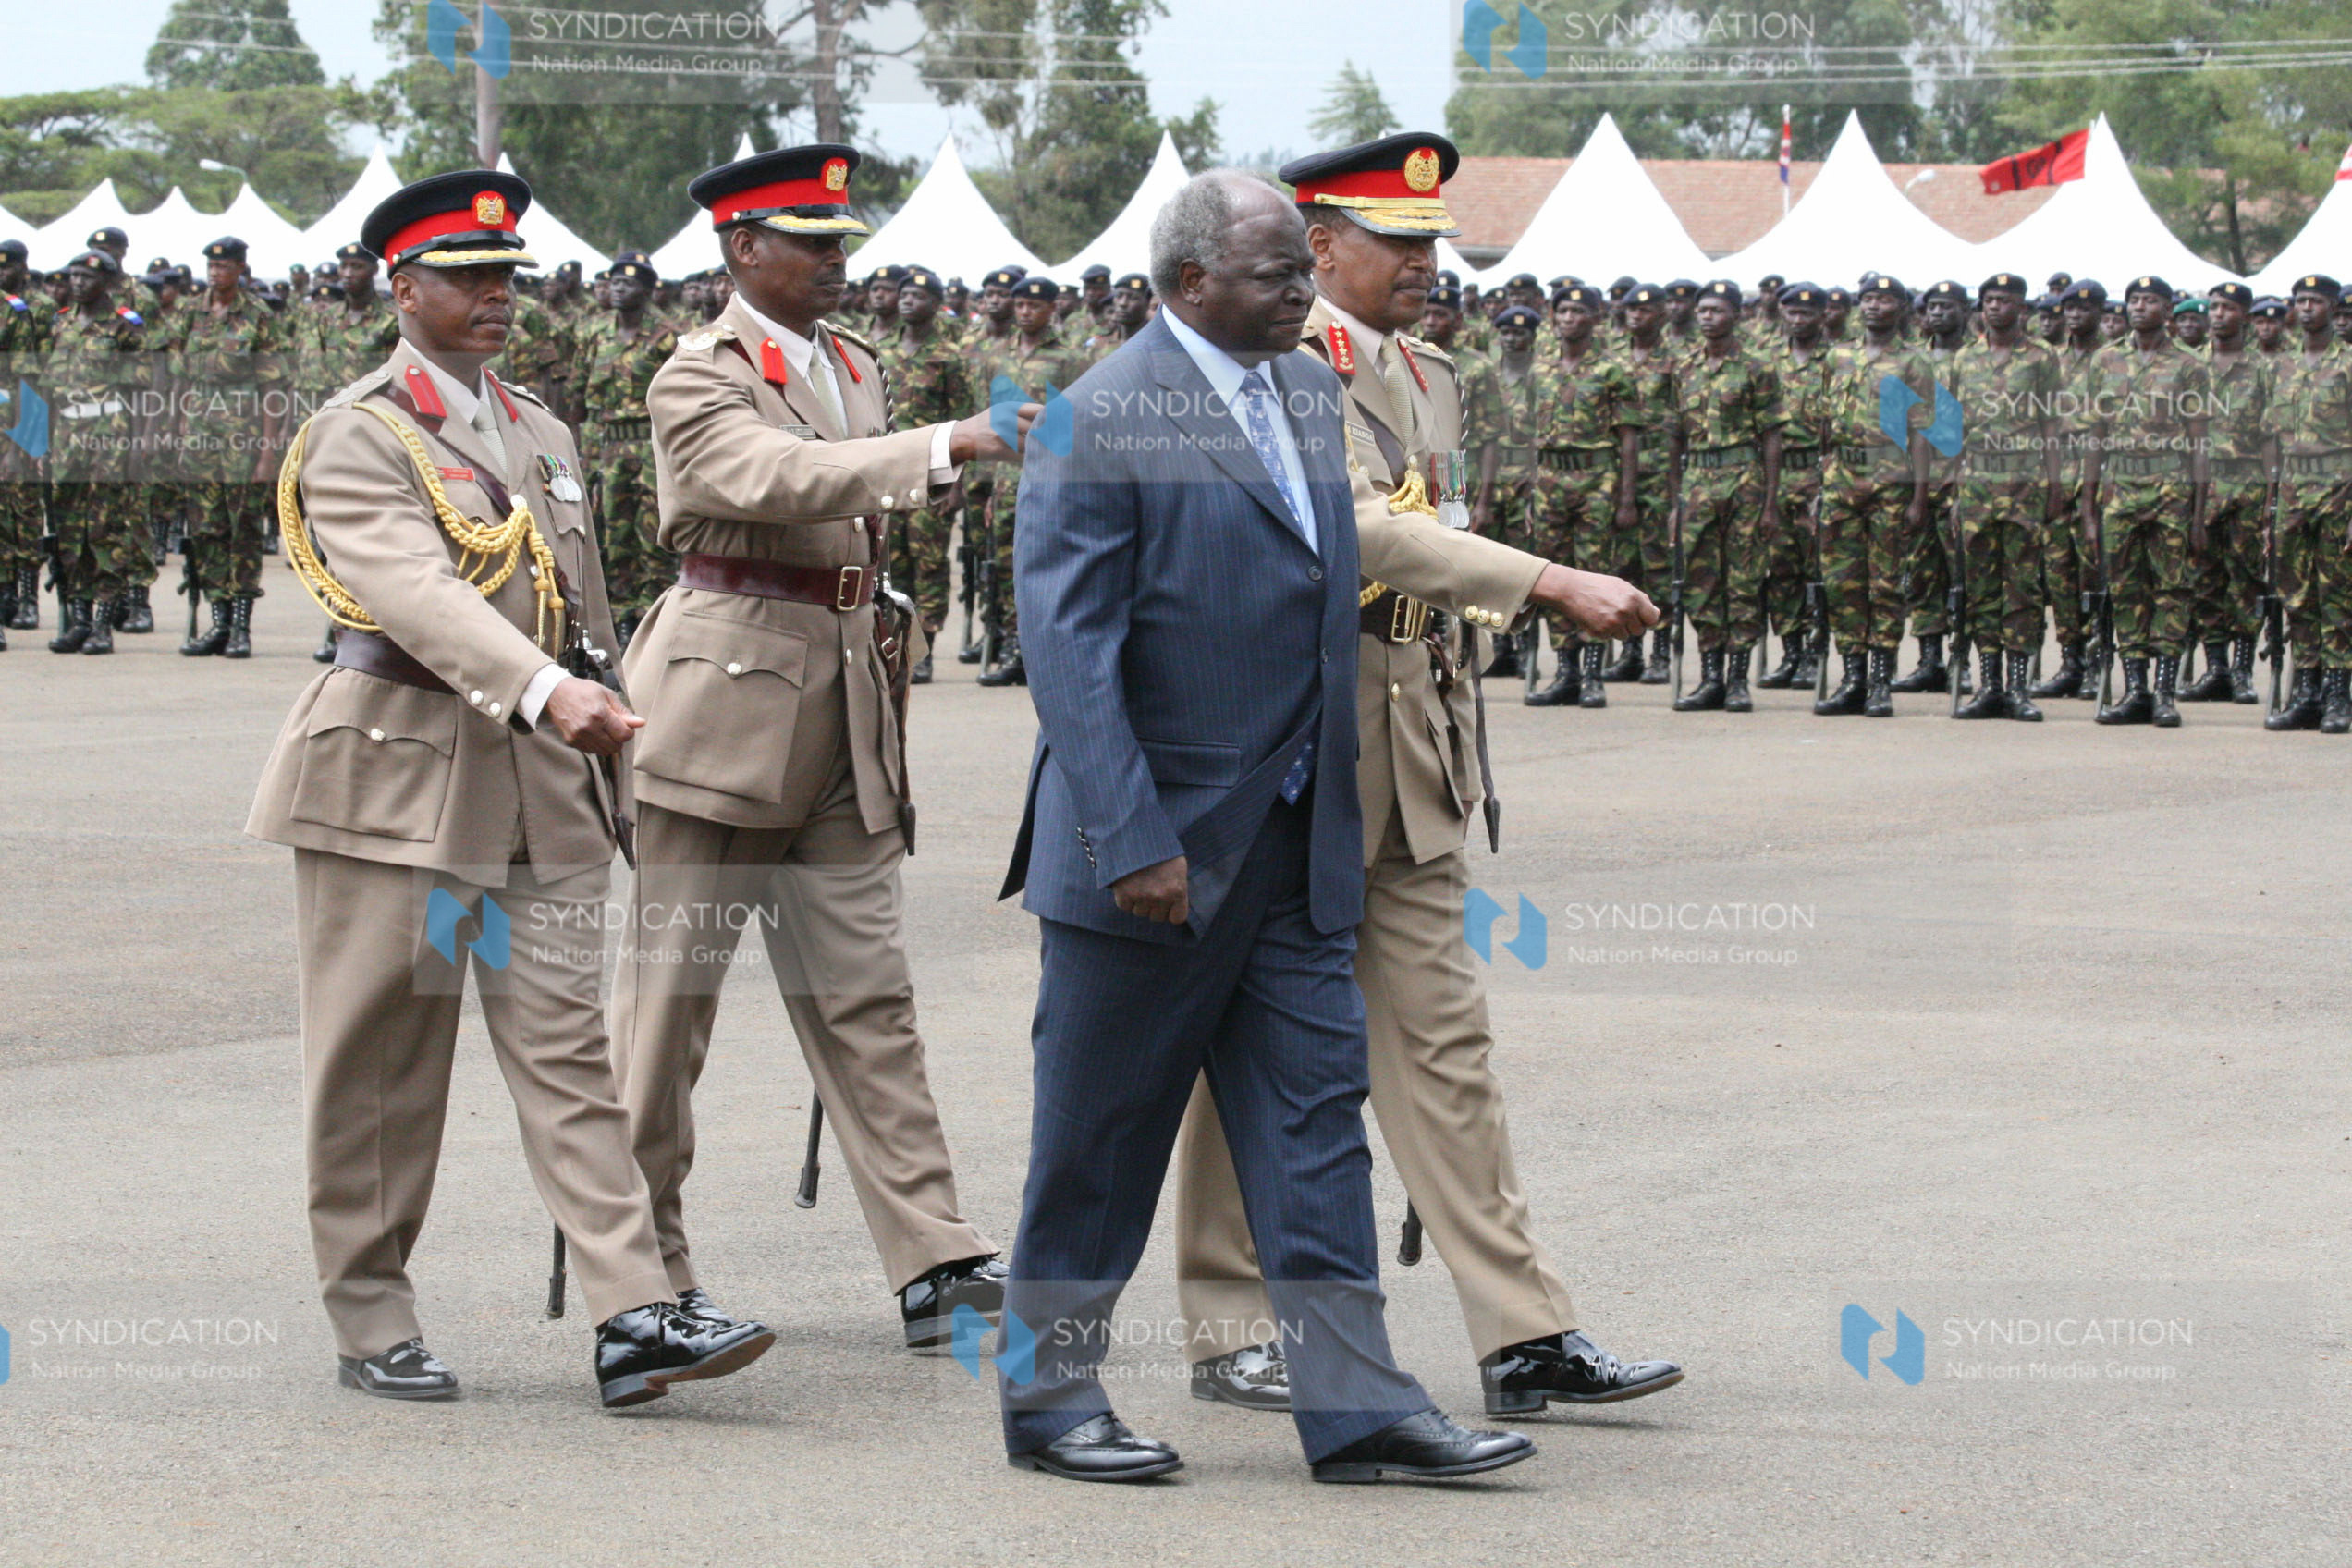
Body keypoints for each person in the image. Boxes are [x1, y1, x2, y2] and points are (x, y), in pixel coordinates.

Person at [998, 166, 1536, 1487]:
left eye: (1307, 269)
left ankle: (1357, 1407)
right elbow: (1070, 656)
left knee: (1312, 1131)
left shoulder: (1304, 392)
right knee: (1100, 1144)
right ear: (1187, 286)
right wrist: (1130, 840)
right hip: (1153, 861)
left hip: (1301, 848)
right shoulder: (1098, 419)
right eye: (1278, 276)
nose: (1307, 294)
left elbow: (1325, 596)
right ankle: (1049, 1401)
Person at [1169, 138, 1678, 1433]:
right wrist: (1548, 580)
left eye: (1432, 240)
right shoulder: (1269, 367)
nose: (1424, 264)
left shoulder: (1422, 373)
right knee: (1250, 1036)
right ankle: (1232, 1326)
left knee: (1447, 1048)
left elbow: (1415, 553)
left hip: (1407, 737)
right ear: (1320, 246)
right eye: (1396, 241)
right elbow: (1356, 525)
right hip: (1288, 746)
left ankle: (1526, 1332)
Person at [245, 167, 773, 1408]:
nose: (495, 298)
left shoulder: (538, 429)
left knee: (566, 1056)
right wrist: (546, 693)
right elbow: (416, 597)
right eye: (469, 279)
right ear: (403, 287)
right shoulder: (359, 432)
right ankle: (372, 1317)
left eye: (506, 278)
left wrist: (614, 747)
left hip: (534, 788)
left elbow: (580, 615)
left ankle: (634, 1311)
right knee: (383, 1060)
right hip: (396, 784)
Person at [608, 144, 1025, 1354]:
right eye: (813, 239)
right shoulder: (699, 372)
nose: (840, 256)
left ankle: (936, 1259)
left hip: (846, 700)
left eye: (843, 237)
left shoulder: (853, 362)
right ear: (743, 250)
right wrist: (943, 448)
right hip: (722, 709)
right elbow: (767, 476)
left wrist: (941, 472)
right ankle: (644, 1280)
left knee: (868, 998)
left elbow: (853, 493)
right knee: (669, 1010)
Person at [2083, 276, 2208, 727]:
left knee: (2173, 589)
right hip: (2120, 491)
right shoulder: (2105, 359)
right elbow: (2095, 435)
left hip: (2171, 490)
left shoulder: (2189, 366)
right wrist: (2088, 508)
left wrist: (2198, 516)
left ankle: (2165, 691)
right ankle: (2135, 688)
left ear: (2168, 309)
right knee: (2125, 588)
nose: (2138, 307)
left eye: (2149, 300)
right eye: (2133, 300)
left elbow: (2199, 445)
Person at [1521, 282, 1643, 707]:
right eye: (1563, 311)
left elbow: (1628, 438)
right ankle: (1566, 670)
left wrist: (1626, 499)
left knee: (1595, 573)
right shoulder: (1541, 369)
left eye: (1578, 311)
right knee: (1554, 577)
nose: (1569, 318)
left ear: (1595, 318)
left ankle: (1593, 673)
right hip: (1551, 479)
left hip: (1596, 480)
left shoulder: (1613, 371)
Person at [1947, 273, 2061, 720]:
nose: (1996, 307)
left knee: (2023, 587)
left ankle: (2019, 686)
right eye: (1989, 300)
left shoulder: (2041, 358)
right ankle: (1988, 683)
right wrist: (1954, 488)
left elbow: (2052, 425)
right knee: (1979, 588)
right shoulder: (1964, 359)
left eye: (2005, 301)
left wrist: (2054, 486)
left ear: (2022, 308)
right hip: (1976, 484)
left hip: (2024, 483)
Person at [1815, 273, 1929, 717]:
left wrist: (1919, 496)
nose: (1874, 306)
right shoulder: (1838, 356)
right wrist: (1825, 466)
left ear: (1901, 308)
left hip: (1891, 478)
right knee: (1843, 582)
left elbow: (1922, 432)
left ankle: (1881, 680)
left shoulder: (1913, 362)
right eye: (1868, 299)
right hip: (1842, 479)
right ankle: (1853, 677)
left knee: (1884, 584)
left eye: (1884, 300)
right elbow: (1826, 419)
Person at [1670, 279, 1783, 713]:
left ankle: (1738, 679)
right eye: (1703, 310)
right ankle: (1711, 676)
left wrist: (1771, 501)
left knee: (1743, 579)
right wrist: (1674, 502)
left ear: (1736, 315)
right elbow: (1676, 437)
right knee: (1702, 582)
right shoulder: (1684, 367)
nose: (1707, 316)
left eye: (1717, 310)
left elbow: (1772, 437)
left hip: (1744, 480)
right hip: (1698, 480)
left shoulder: (1757, 366)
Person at [973, 273, 1091, 688]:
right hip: (1006, 480)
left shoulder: (1071, 357)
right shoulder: (997, 355)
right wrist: (986, 487)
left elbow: (1080, 421)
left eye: (1034, 306)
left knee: (1048, 564)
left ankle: (1041, 649)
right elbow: (987, 422)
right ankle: (1011, 647)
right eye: (1020, 304)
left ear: (1052, 308)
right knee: (1003, 566)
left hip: (1051, 474)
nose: (1024, 311)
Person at [171, 236, 285, 659]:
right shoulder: (191, 311)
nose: (215, 271)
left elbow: (274, 384)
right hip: (200, 436)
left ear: (240, 268)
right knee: (205, 529)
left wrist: (269, 452)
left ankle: (241, 626)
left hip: (243, 435)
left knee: (244, 529)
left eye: (224, 265)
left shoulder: (256, 315)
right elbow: (181, 375)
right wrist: (179, 425)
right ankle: (218, 622)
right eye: (210, 265)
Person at [43, 249, 146, 655]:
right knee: (70, 530)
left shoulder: (125, 325)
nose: (78, 283)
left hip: (108, 431)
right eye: (73, 277)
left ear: (106, 280)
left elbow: (142, 386)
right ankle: (79, 618)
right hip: (68, 434)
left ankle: (103, 623)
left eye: (86, 277)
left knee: (105, 529)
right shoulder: (62, 322)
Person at [2263, 275, 2352, 732]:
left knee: (2336, 595)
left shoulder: (2348, 362)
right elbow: (2272, 439)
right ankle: (2308, 691)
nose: (2308, 308)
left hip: (2339, 489)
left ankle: (2340, 695)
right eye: (2301, 301)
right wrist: (2270, 501)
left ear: (2334, 309)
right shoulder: (2281, 366)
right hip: (2294, 491)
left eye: (2316, 301)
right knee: (2297, 597)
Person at [574, 251, 677, 645]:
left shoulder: (667, 336)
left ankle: (654, 612)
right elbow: (579, 396)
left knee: (653, 535)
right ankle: (621, 617)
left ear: (649, 290)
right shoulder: (595, 333)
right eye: (615, 280)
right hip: (609, 449)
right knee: (614, 538)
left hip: (652, 447)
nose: (619, 287)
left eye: (630, 282)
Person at [2179, 282, 2272, 704]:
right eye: (2214, 307)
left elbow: (2274, 437)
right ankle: (2214, 666)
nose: (2217, 315)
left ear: (2246, 317)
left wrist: (2272, 496)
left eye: (2228, 308)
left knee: (2246, 581)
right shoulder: (2187, 365)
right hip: (2198, 489)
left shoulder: (2265, 369)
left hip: (2247, 488)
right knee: (2203, 580)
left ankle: (2242, 670)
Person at [880, 263, 974, 666]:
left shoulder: (948, 356)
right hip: (888, 474)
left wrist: (956, 485)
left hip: (933, 474)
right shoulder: (880, 349)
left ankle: (927, 649)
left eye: (917, 296)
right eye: (903, 295)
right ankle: (898, 643)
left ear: (936, 305)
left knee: (930, 563)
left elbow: (963, 422)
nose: (907, 301)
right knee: (893, 560)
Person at [1761, 281, 1836, 691]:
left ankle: (1815, 650)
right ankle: (1790, 650)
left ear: (1823, 316)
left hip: (1818, 473)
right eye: (1791, 312)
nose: (1798, 319)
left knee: (1817, 570)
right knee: (1780, 570)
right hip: (1775, 476)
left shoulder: (1839, 361)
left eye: (1807, 312)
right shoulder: (1767, 361)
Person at [0, 237, 50, 639]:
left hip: (7, 428)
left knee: (23, 513)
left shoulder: (13, 313)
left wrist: (28, 439)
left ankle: (28, 598)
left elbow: (27, 378)